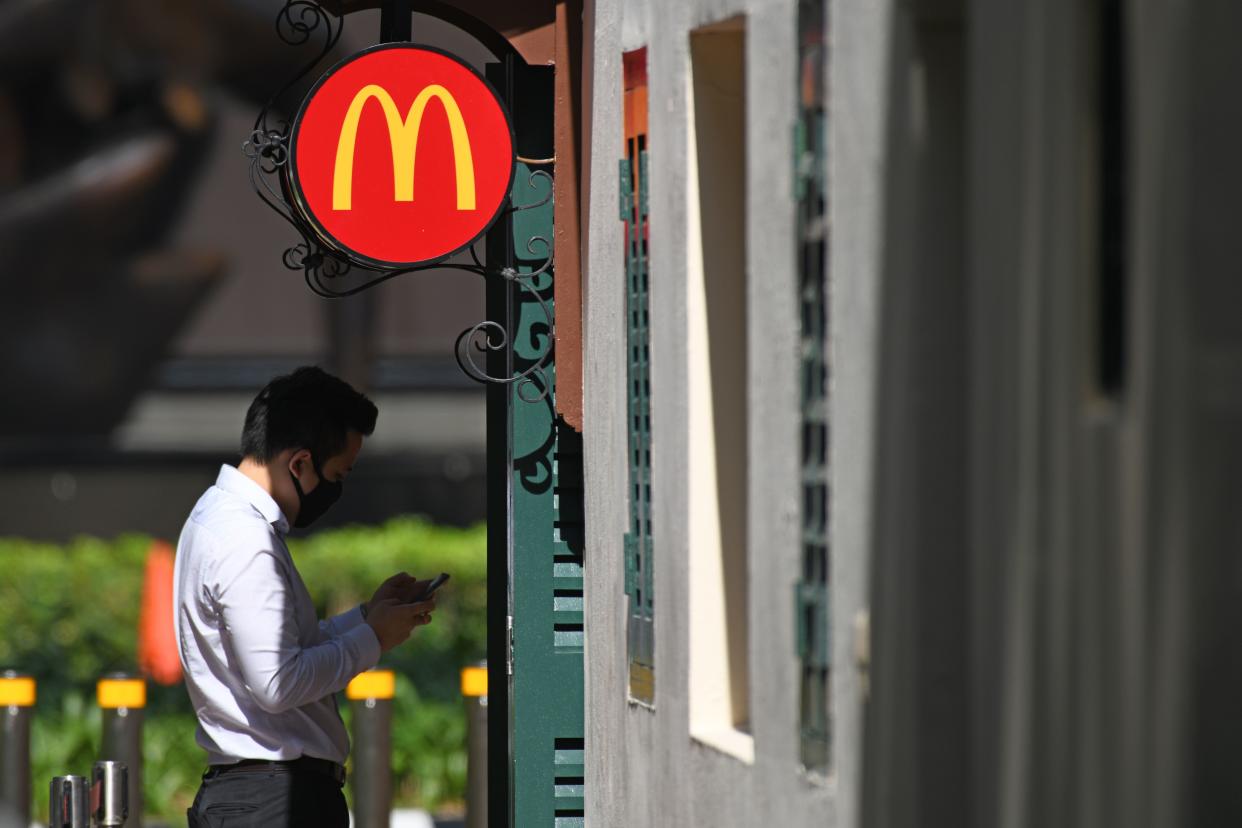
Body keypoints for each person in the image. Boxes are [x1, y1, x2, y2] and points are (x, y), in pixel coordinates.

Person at [176, 366, 436, 828]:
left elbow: (287, 649)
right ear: (298, 463)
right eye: (336, 474)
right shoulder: (245, 540)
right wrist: (372, 639)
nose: (335, 490)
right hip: (276, 800)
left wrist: (366, 618)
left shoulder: (218, 518)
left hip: (262, 795)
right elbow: (278, 682)